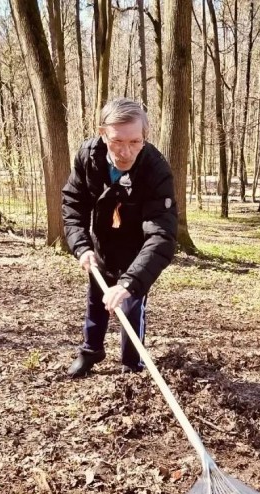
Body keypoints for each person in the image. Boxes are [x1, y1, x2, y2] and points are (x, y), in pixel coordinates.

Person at [62, 98, 178, 378]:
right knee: (97, 298)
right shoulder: (88, 157)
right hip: (101, 243)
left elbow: (161, 234)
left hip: (138, 250)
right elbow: (73, 204)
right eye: (117, 141)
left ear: (144, 137)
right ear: (103, 134)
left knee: (130, 305)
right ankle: (91, 351)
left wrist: (130, 282)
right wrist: (81, 247)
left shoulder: (155, 170)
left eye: (135, 142)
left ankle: (131, 364)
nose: (126, 152)